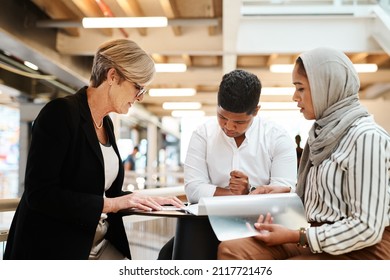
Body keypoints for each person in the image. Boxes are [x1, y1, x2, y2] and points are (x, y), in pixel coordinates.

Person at [4, 38, 183, 260]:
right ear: (112, 76)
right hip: (56, 248)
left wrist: (145, 199)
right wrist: (111, 204)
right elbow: (40, 194)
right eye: (138, 87)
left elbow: (105, 194)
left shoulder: (105, 123)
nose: (140, 97)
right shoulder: (60, 114)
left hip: (95, 242)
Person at [217, 47, 390, 260]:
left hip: (363, 246)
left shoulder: (366, 137)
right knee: (231, 250)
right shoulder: (321, 134)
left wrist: (296, 235)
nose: (294, 97)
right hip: (313, 233)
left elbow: (367, 227)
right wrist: (287, 194)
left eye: (300, 88)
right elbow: (327, 203)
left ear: (325, 87)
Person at [158, 69, 297, 259]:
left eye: (239, 122)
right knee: (175, 248)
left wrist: (249, 191)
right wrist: (234, 194)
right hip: (207, 223)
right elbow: (194, 189)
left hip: (258, 224)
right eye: (222, 117)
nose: (229, 127)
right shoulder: (203, 134)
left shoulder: (277, 138)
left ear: (256, 111)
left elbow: (284, 193)